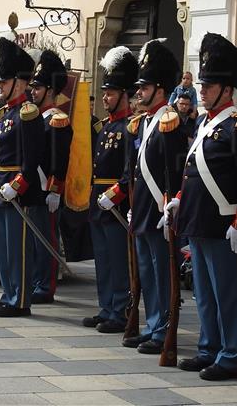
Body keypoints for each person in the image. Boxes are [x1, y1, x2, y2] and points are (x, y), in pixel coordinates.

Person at [172, 33, 237, 381]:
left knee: (227, 294)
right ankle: (209, 347)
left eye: (209, 86)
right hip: (197, 220)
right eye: (202, 85)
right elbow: (192, 171)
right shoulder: (205, 124)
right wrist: (178, 200)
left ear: (227, 90)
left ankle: (230, 353)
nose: (202, 91)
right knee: (204, 294)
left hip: (223, 224)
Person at [105, 39, 187, 354]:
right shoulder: (147, 123)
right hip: (143, 210)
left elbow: (172, 171)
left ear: (161, 89)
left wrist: (168, 208)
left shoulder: (170, 124)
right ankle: (153, 325)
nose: (138, 92)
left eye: (145, 86)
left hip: (159, 211)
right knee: (147, 273)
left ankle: (163, 328)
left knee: (161, 274)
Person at [0, 37, 44, 318]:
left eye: (4, 81)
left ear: (19, 84)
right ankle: (8, 292)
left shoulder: (28, 114)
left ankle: (20, 299)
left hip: (17, 191)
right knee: (5, 248)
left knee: (18, 248)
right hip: (1, 187)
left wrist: (17, 186)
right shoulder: (9, 113)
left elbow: (32, 160)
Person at [87, 46, 138, 333]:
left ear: (125, 95)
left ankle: (120, 311)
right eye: (105, 92)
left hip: (117, 203)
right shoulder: (105, 127)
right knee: (103, 261)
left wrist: (116, 194)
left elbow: (129, 170)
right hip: (99, 200)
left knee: (119, 262)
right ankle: (106, 307)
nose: (105, 97)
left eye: (110, 93)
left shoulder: (131, 126)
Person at [28, 49, 73, 305]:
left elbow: (60, 159)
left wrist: (55, 189)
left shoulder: (58, 120)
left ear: (50, 90)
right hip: (34, 188)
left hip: (47, 191)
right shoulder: (38, 119)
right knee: (35, 240)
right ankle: (36, 280)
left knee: (46, 239)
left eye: (38, 87)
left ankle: (46, 285)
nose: (33, 91)